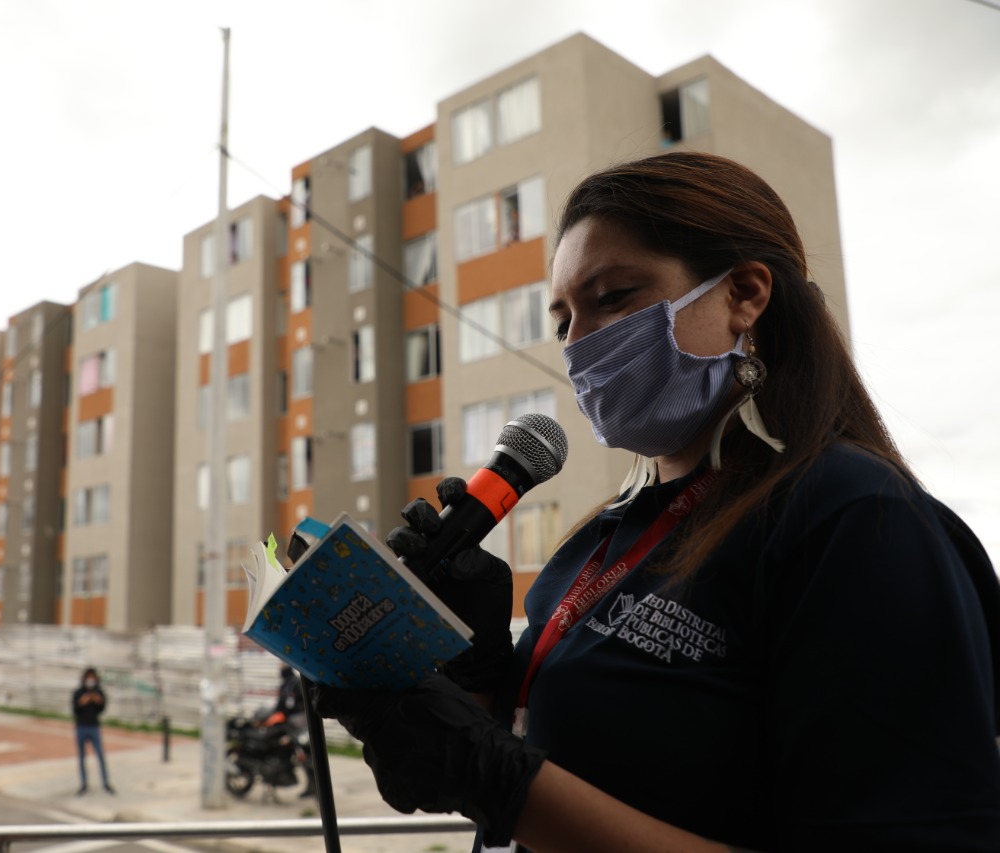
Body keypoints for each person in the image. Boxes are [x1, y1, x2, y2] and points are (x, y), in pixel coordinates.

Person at [313, 151, 1000, 852]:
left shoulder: (858, 518)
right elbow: (569, 756)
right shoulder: (599, 539)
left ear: (744, 294)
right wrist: (474, 674)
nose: (578, 342)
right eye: (562, 319)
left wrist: (497, 783)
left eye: (613, 297)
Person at [273, 664, 317, 799]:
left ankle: (314, 787)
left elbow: (301, 704)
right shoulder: (285, 685)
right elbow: (280, 705)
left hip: (300, 728)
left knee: (305, 756)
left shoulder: (296, 684)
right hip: (290, 726)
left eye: (283, 668)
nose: (281, 671)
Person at [72, 666, 114, 795]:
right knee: (82, 757)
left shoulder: (98, 692)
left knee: (100, 755)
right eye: (88, 677)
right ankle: (84, 784)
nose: (90, 680)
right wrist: (82, 702)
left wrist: (98, 701)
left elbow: (102, 709)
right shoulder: (79, 692)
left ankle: (106, 783)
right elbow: (75, 710)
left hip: (94, 727)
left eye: (92, 677)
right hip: (81, 727)